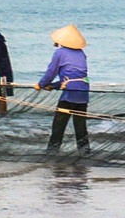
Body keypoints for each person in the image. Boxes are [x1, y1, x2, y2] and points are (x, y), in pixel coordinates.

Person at [36, 24, 91, 153]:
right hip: (83, 91)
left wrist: (41, 85)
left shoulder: (60, 53)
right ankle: (85, 153)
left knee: (58, 126)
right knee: (80, 126)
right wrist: (54, 86)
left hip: (70, 94)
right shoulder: (81, 53)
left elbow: (51, 72)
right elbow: (72, 77)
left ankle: (52, 153)